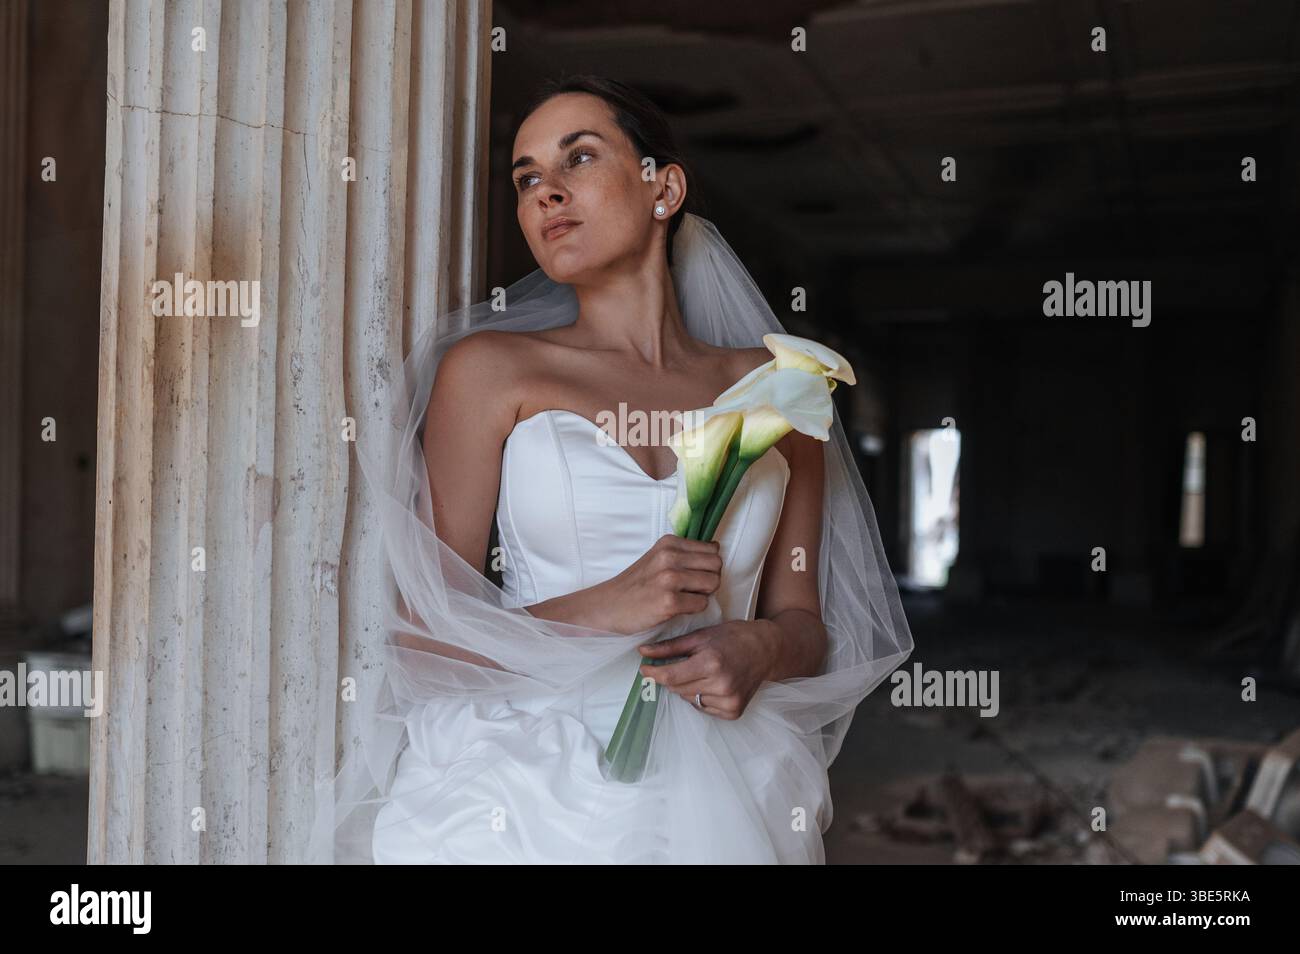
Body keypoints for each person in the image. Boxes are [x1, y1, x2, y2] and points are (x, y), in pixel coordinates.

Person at [310, 75, 913, 864]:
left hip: (725, 771)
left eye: (579, 159)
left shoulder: (782, 391)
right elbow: (427, 638)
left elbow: (802, 620)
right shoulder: (491, 372)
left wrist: (759, 651)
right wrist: (605, 607)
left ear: (664, 188)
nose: (546, 194)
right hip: (526, 783)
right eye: (527, 179)